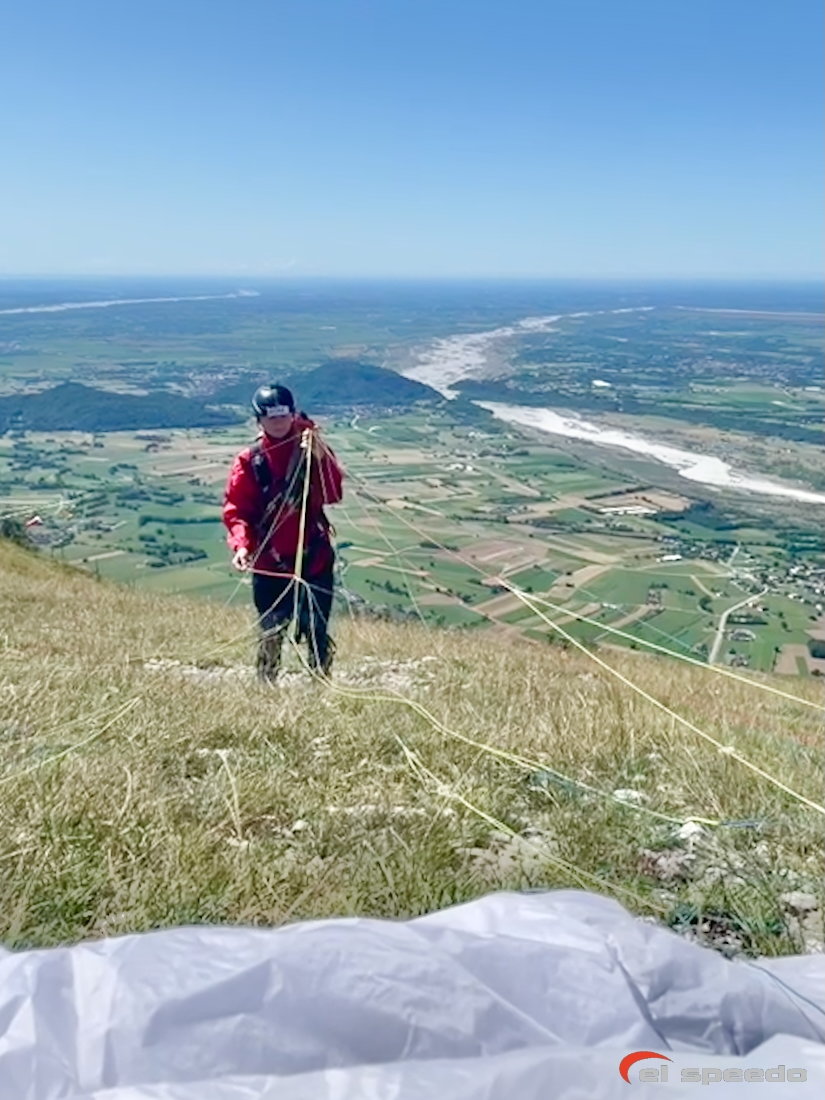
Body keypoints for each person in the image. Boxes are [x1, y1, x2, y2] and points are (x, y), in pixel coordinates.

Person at [223, 383, 344, 682]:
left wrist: (320, 457)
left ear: (292, 415)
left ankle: (321, 682)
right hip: (270, 564)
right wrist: (241, 545)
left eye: (283, 416)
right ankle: (266, 685)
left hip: (313, 557)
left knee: (316, 626)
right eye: (270, 417)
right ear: (259, 420)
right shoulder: (250, 461)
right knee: (271, 629)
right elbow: (237, 509)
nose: (277, 423)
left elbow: (332, 493)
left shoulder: (310, 449)